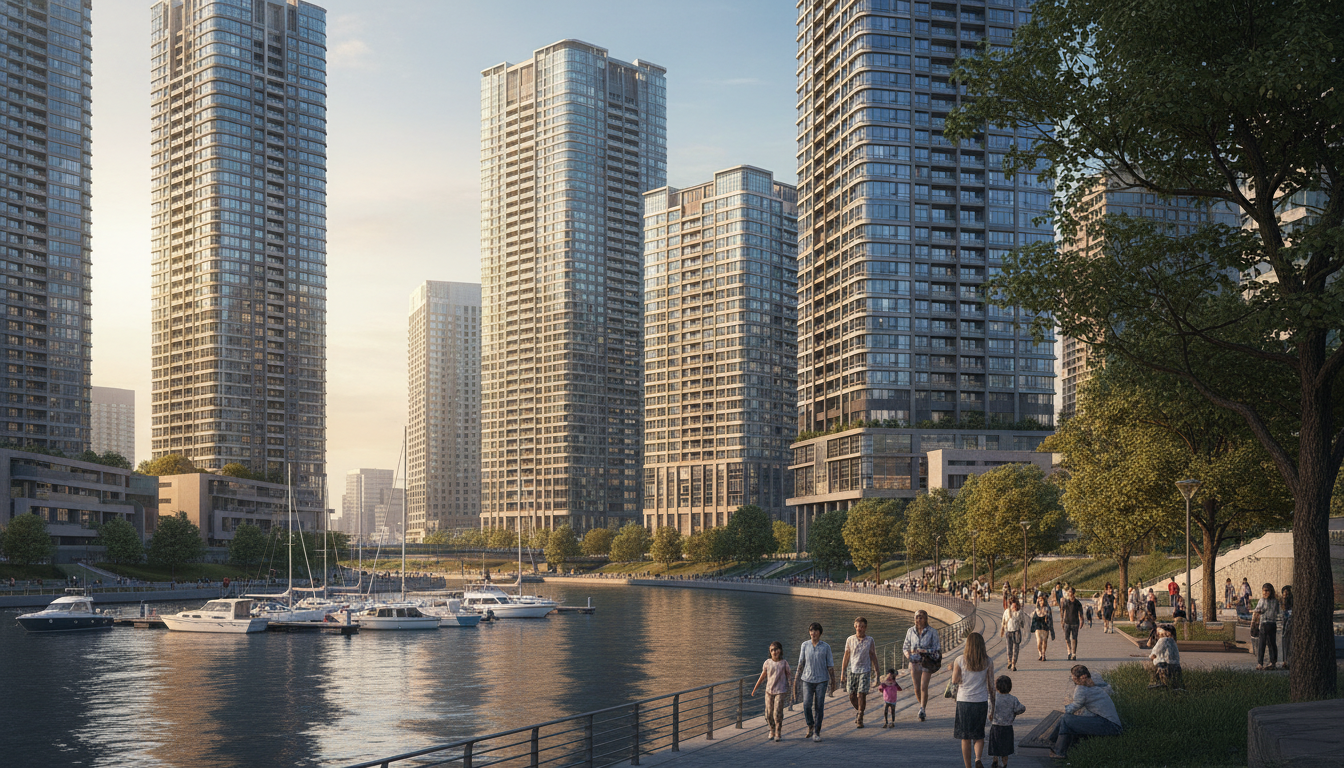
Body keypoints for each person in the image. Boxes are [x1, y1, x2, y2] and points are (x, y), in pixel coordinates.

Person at [1050, 665, 1122, 760]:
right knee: (1066, 718)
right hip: (1111, 724)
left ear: (1075, 678)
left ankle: (1058, 750)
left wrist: (1066, 709)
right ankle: (1053, 742)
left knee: (1066, 718)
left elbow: (1074, 707)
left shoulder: (1081, 689)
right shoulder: (1092, 685)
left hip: (1110, 726)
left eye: (1072, 676)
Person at [952, 632, 996, 768]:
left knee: (965, 737)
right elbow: (991, 685)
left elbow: (954, 681)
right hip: (980, 701)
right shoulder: (988, 661)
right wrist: (993, 706)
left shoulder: (959, 660)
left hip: (964, 701)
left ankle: (968, 766)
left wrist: (956, 673)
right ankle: (978, 759)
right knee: (979, 735)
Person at [794, 622, 835, 742]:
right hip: (807, 679)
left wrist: (833, 681)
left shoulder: (826, 647)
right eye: (811, 630)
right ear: (809, 632)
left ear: (820, 633)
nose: (813, 633)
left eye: (816, 631)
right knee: (806, 704)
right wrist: (796, 679)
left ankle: (817, 731)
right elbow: (801, 663)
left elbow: (830, 665)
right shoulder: (805, 645)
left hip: (822, 680)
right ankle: (810, 724)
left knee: (819, 706)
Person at [903, 609, 941, 721]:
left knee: (923, 686)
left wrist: (924, 651)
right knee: (916, 688)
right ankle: (922, 706)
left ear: (925, 619)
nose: (918, 619)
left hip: (927, 661)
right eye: (916, 617)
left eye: (921, 617)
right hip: (914, 662)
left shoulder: (932, 632)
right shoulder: (910, 631)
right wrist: (908, 655)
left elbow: (937, 648)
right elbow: (905, 646)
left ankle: (922, 709)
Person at [841, 616, 879, 728]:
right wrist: (843, 672)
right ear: (855, 626)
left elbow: (873, 656)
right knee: (851, 695)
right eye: (858, 626)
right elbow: (846, 656)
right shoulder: (850, 639)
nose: (859, 628)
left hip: (865, 670)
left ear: (865, 628)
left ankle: (860, 717)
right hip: (852, 670)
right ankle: (859, 711)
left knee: (861, 694)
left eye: (862, 626)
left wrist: (877, 673)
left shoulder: (870, 640)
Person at [750, 641, 791, 743]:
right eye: (772, 650)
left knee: (777, 713)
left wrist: (791, 690)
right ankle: (771, 729)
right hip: (769, 691)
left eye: (776, 649)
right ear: (770, 652)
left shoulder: (784, 663)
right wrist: (755, 688)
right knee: (768, 713)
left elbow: (789, 677)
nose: (774, 652)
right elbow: (762, 676)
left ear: (780, 650)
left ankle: (778, 732)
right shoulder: (767, 663)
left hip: (780, 691)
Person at [987, 675, 1026, 768]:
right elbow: (1021, 708)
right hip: (1007, 727)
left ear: (996, 687)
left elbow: (989, 711)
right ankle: (1004, 764)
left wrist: (990, 716)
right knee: (1005, 749)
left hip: (995, 726)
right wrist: (1014, 713)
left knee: (995, 746)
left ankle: (995, 761)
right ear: (1010, 687)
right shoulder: (1013, 699)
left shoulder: (993, 698)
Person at [1252, 583, 1281, 670]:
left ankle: (1273, 662)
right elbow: (1257, 610)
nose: (1265, 593)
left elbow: (1278, 612)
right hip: (1264, 623)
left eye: (1267, 591)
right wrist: (1259, 612)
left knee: (1272, 643)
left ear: (1271, 591)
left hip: (1272, 623)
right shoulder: (1262, 600)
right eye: (1263, 591)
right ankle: (1260, 663)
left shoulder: (1275, 601)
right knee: (1262, 644)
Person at [1147, 624, 1183, 690]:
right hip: (1175, 663)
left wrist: (1152, 656)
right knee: (1175, 677)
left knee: (1158, 672)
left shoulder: (1163, 640)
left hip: (1163, 663)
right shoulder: (1173, 642)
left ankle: (1159, 684)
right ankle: (1176, 686)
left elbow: (1157, 650)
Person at [999, 596, 1027, 671]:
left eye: (1015, 606)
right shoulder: (1006, 612)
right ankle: (1009, 661)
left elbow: (1022, 622)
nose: (1014, 607)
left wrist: (1018, 615)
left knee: (1016, 649)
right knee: (1009, 648)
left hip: (1016, 632)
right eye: (1012, 606)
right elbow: (1003, 621)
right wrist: (1002, 630)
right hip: (1008, 632)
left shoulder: (1019, 612)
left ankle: (1014, 664)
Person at [1059, 588, 1084, 661]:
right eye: (1069, 592)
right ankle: (1069, 651)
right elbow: (1062, 611)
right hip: (1067, 622)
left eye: (1070, 592)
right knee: (1066, 638)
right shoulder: (1066, 602)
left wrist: (1082, 621)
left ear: (1073, 593)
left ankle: (1074, 653)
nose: (1069, 594)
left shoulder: (1077, 603)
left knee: (1074, 638)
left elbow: (1081, 613)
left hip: (1075, 623)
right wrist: (1062, 620)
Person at [1030, 595, 1054, 662]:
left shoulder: (1047, 609)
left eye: (1042, 600)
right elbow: (1033, 618)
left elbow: (1050, 619)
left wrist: (1051, 627)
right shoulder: (1036, 609)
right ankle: (1040, 653)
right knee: (1039, 641)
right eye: (1040, 601)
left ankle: (1043, 654)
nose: (1041, 602)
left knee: (1044, 641)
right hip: (1038, 626)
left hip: (1045, 626)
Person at [1279, 585, 1293, 670]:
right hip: (1283, 625)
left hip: (1289, 624)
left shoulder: (1291, 603)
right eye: (1284, 593)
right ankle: (1285, 661)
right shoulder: (1281, 603)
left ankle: (1287, 661)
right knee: (1284, 643)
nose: (1285, 595)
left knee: (1288, 642)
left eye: (1287, 593)